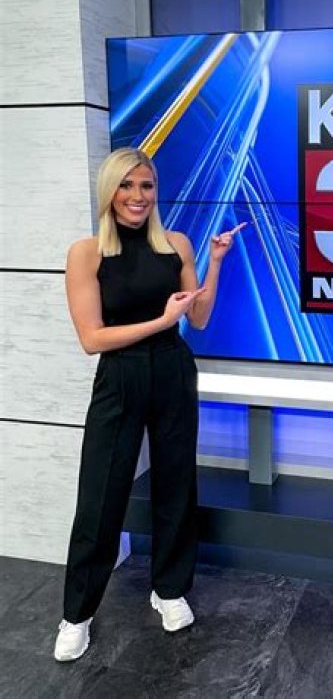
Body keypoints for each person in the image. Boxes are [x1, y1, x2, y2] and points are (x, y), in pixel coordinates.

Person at [54, 147, 244, 661]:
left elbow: (197, 318)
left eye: (146, 185)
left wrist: (215, 263)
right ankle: (77, 614)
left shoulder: (176, 243)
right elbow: (92, 339)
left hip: (173, 371)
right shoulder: (86, 253)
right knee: (100, 496)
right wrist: (161, 321)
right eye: (126, 185)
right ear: (109, 191)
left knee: (176, 484)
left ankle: (170, 589)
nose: (138, 196)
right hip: (120, 376)